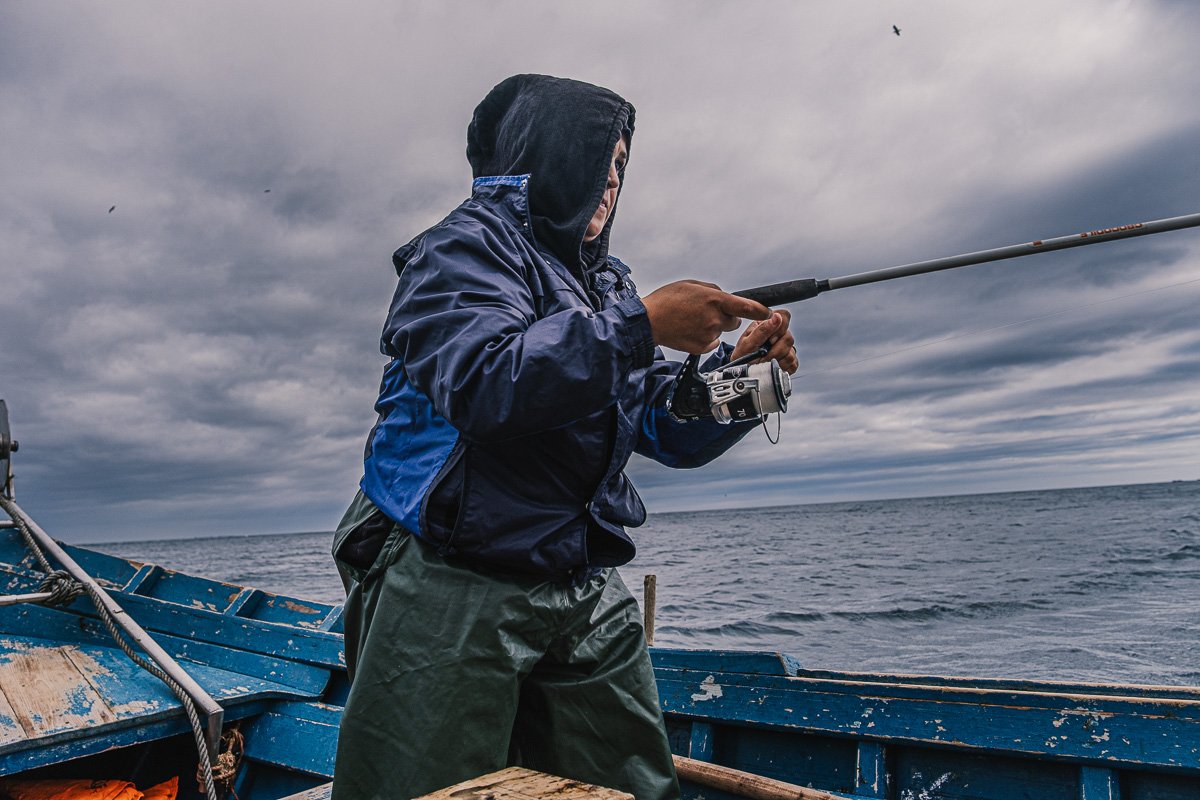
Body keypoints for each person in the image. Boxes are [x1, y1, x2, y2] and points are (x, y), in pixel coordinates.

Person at [331, 74, 797, 800]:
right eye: (597, 160)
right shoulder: (461, 250)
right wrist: (642, 326)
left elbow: (655, 423)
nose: (610, 182)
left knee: (635, 785)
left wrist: (742, 380)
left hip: (578, 575)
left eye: (620, 167)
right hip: (448, 574)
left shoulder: (606, 285)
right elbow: (489, 384)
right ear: (545, 155)